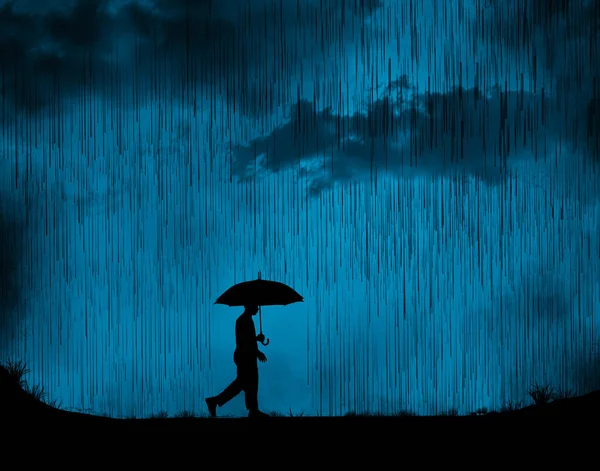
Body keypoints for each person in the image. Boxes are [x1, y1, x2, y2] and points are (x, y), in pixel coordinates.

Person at [205, 305, 270, 418]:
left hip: (245, 355)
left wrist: (256, 340)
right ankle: (215, 401)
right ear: (248, 306)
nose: (257, 309)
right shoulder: (244, 320)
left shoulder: (245, 320)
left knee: (248, 383)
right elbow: (245, 341)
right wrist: (257, 351)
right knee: (245, 383)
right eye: (255, 306)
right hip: (245, 356)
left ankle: (253, 410)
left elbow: (248, 339)